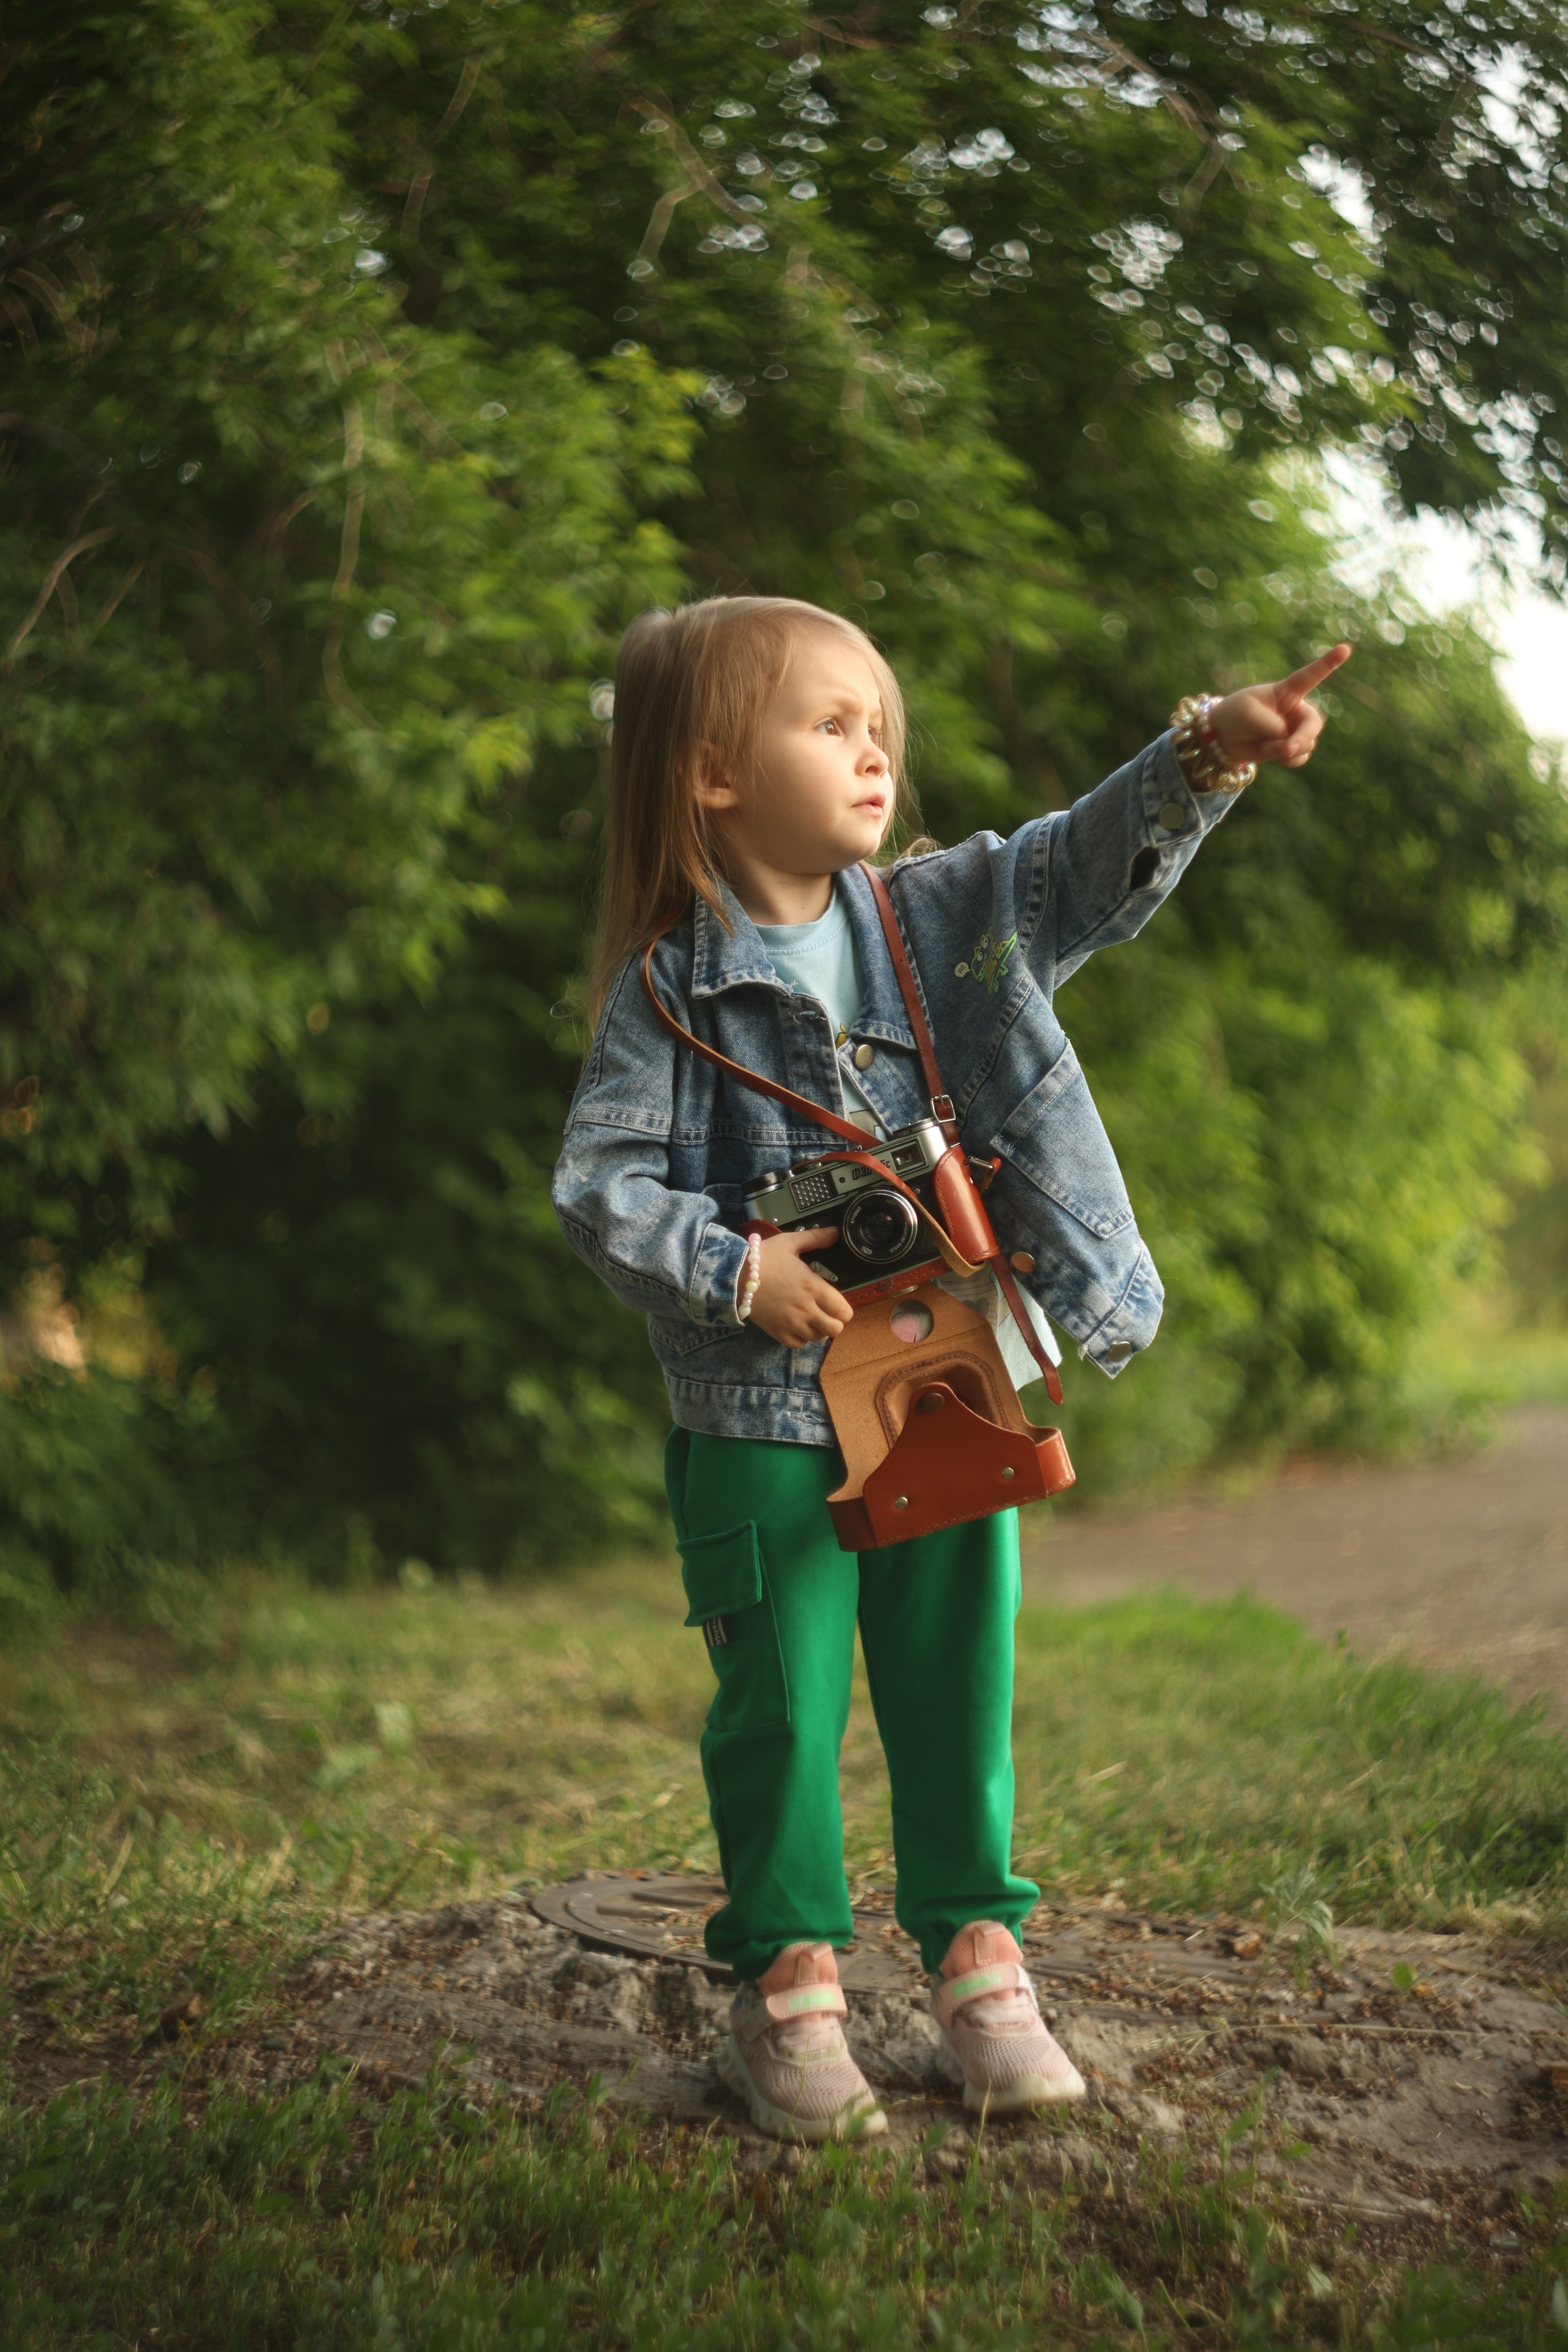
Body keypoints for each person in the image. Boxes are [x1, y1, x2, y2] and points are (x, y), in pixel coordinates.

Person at [553, 596, 1350, 2143]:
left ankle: (978, 1962)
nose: (872, 753)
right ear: (712, 773)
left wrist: (1203, 752)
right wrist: (735, 1268)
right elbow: (598, 1188)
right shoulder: (665, 991)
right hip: (757, 1403)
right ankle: (788, 1988)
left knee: (951, 1669)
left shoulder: (936, 917)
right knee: (779, 1698)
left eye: (880, 729)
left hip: (940, 1376)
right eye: (828, 724)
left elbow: (1073, 861)